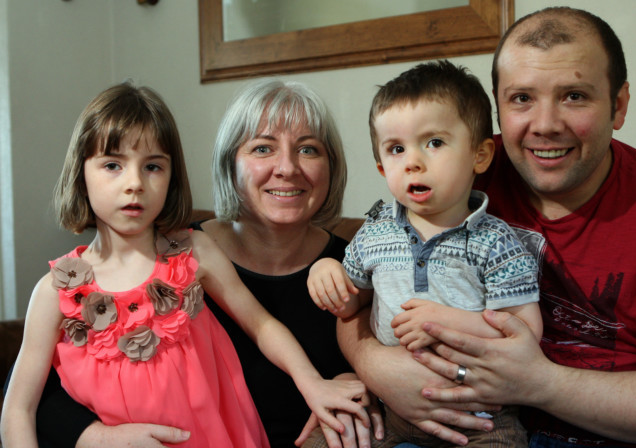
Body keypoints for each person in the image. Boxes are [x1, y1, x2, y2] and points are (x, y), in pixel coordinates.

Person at [337, 6, 636, 448]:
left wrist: (540, 383)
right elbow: (363, 287)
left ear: (618, 105)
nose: (545, 126)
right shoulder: (455, 172)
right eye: (522, 99)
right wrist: (373, 364)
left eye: (574, 96)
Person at [0, 82, 368, 448]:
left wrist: (327, 386)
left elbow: (263, 325)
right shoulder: (55, 291)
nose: (134, 184)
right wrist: (94, 437)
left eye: (153, 167)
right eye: (113, 165)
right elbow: (19, 404)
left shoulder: (193, 253)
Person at [306, 60, 541, 447]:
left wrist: (448, 321)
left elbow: (527, 332)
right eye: (396, 149)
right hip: (387, 405)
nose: (413, 160)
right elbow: (352, 306)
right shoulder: (375, 232)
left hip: (478, 416)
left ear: (479, 156)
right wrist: (326, 270)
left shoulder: (496, 241)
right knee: (324, 437)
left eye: (434, 142)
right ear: (383, 168)